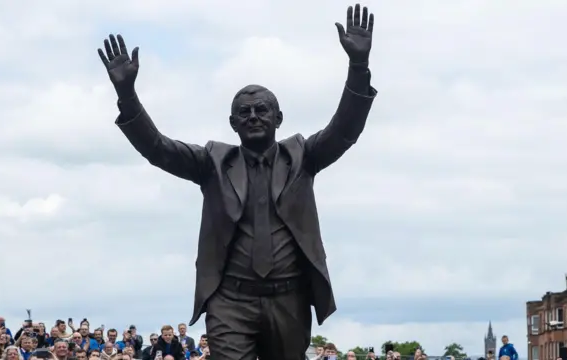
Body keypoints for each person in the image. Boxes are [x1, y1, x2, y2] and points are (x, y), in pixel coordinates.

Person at [96, 4, 377, 360]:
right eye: (244, 112)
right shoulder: (212, 162)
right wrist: (127, 95)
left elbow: (345, 129)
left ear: (278, 118)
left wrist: (358, 67)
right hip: (231, 301)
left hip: (288, 298)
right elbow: (158, 149)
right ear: (232, 123)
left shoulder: (303, 156)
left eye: (262, 110)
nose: (254, 116)